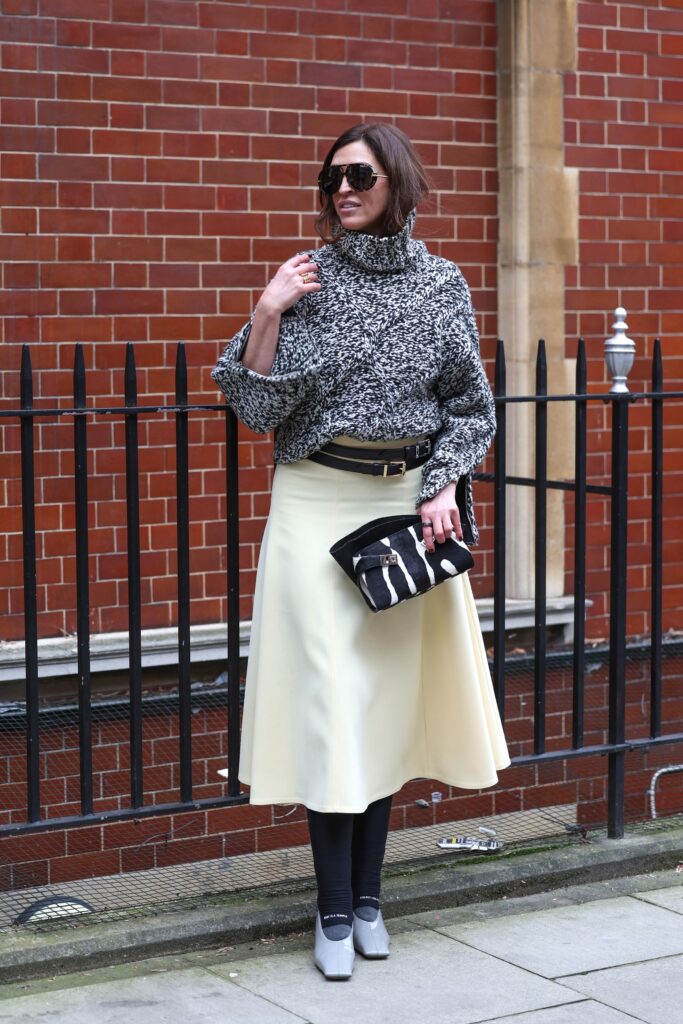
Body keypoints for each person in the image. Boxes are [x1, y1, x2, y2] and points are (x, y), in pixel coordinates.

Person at [211, 122, 510, 980]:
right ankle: (334, 911)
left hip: (401, 509)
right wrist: (267, 310)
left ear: (396, 185)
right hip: (315, 502)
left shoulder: (440, 285)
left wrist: (443, 485)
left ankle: (371, 901)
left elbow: (470, 407)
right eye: (332, 178)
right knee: (331, 703)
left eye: (359, 176)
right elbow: (257, 411)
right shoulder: (306, 279)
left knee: (377, 707)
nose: (342, 190)